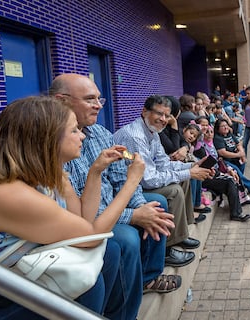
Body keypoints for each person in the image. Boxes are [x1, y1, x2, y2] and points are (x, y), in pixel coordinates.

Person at [0, 96, 145, 319]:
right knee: (86, 285)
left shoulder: (53, 175)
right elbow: (92, 236)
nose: (83, 136)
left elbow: (84, 221)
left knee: (111, 252)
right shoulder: (7, 193)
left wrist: (96, 171)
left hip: (9, 276)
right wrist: (131, 182)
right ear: (45, 139)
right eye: (74, 130)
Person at [50, 74, 183, 319]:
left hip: (100, 212)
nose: (100, 105)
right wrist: (134, 215)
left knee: (156, 205)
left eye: (99, 98)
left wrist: (142, 208)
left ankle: (148, 276)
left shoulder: (100, 132)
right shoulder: (54, 149)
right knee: (124, 240)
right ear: (62, 101)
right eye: (90, 99)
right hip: (83, 225)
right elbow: (80, 220)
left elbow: (121, 176)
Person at [113, 95, 214, 263]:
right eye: (159, 113)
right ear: (144, 111)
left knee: (185, 179)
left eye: (167, 115)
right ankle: (167, 248)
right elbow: (149, 180)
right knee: (173, 191)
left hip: (140, 181)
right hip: (127, 187)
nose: (163, 119)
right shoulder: (135, 136)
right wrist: (189, 172)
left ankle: (180, 235)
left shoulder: (153, 132)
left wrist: (191, 167)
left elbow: (164, 164)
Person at [192, 119, 250, 222]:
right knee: (229, 181)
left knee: (233, 177)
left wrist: (228, 169)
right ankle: (236, 213)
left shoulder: (210, 144)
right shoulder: (198, 145)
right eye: (205, 130)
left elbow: (218, 161)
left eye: (210, 130)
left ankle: (238, 208)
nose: (209, 133)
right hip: (204, 176)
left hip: (213, 173)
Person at [213, 118, 250, 195]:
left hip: (235, 158)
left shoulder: (229, 134)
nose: (226, 127)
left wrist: (242, 153)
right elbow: (223, 152)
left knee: (242, 163)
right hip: (225, 161)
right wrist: (238, 155)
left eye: (226, 125)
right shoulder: (218, 138)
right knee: (237, 170)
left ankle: (240, 184)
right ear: (218, 129)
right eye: (223, 126)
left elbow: (238, 144)